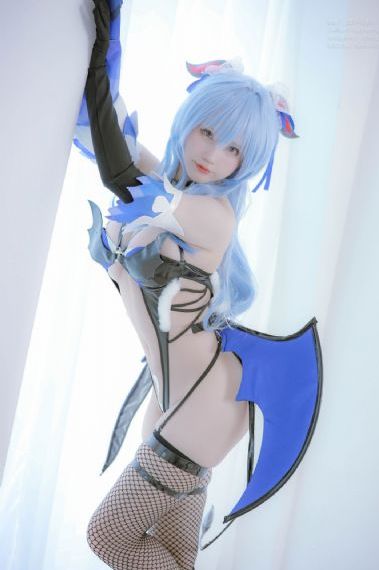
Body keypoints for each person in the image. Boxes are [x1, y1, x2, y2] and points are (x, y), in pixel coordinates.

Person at [77, 1, 323, 568]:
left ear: (250, 161)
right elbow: (100, 137)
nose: (214, 155)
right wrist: (103, 51)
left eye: (236, 148)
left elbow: (119, 173)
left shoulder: (211, 216)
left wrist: (96, 57)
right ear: (188, 120)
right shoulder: (175, 191)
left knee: (107, 538)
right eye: (209, 132)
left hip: (200, 404)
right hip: (179, 398)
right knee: (173, 556)